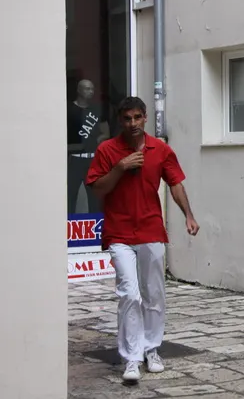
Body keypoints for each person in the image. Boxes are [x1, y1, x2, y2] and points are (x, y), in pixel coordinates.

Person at [86, 96, 200, 383]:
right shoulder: (107, 150)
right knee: (129, 293)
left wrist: (188, 215)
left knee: (154, 294)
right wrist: (120, 167)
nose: (133, 123)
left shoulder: (160, 149)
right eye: (127, 119)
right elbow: (98, 189)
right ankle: (131, 358)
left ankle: (151, 349)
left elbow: (175, 183)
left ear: (145, 117)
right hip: (119, 232)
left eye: (137, 117)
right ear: (120, 120)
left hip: (151, 229)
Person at [67, 79, 110, 214]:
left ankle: (96, 223)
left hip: (92, 159)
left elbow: (106, 133)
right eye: (87, 88)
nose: (91, 92)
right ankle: (67, 223)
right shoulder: (68, 109)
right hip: (74, 158)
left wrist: (96, 141)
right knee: (69, 194)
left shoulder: (97, 110)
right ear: (79, 90)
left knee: (95, 197)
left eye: (92, 89)